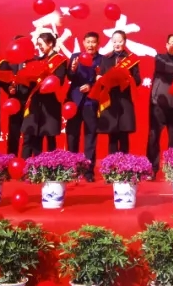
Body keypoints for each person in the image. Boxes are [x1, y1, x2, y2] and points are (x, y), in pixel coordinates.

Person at [19, 32, 68, 158]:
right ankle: (36, 163)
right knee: (36, 135)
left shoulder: (60, 60)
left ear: (50, 43)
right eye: (38, 44)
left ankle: (51, 164)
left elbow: (59, 80)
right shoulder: (38, 60)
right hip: (37, 102)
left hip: (51, 102)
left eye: (41, 44)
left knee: (50, 136)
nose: (39, 47)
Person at [96, 30, 143, 157]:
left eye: (120, 41)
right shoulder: (105, 59)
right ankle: (111, 163)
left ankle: (124, 164)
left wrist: (128, 80)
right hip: (110, 99)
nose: (117, 44)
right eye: (115, 41)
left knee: (124, 133)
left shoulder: (131, 59)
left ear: (124, 42)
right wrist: (100, 78)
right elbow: (101, 76)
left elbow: (138, 80)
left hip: (125, 99)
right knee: (112, 134)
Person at [147, 33, 173, 175]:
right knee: (154, 136)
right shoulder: (160, 58)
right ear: (167, 45)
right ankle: (152, 168)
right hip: (158, 104)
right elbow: (163, 67)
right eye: (172, 43)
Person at [67, 32, 101, 180]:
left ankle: (88, 171)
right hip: (74, 101)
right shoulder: (75, 57)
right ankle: (72, 169)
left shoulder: (102, 60)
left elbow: (102, 81)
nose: (90, 45)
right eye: (88, 42)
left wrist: (90, 86)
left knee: (90, 137)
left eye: (93, 42)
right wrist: (73, 69)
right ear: (83, 42)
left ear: (98, 44)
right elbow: (69, 76)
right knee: (72, 136)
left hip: (90, 102)